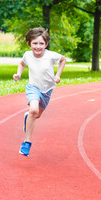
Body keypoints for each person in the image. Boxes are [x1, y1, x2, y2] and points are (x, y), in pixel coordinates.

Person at [13, 27, 66, 156]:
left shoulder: (51, 55)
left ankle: (28, 117)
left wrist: (58, 75)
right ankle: (26, 143)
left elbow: (63, 60)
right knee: (34, 110)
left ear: (46, 44)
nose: (38, 46)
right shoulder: (27, 55)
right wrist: (18, 74)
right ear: (29, 44)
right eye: (35, 43)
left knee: (36, 115)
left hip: (47, 91)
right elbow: (22, 63)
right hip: (33, 87)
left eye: (41, 43)